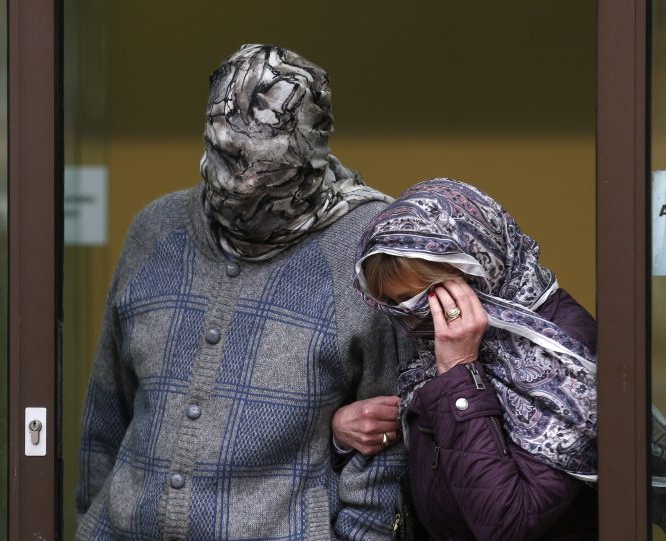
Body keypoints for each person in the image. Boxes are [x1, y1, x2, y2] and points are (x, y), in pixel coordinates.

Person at [75, 44, 413, 540]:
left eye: (258, 164)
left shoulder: (364, 252)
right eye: (220, 151)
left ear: (305, 162)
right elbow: (107, 409)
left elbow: (387, 452)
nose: (233, 181)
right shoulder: (154, 230)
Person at [345, 178, 666, 540]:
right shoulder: (437, 342)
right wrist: (343, 431)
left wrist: (458, 373)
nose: (415, 316)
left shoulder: (564, 358)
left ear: (484, 267)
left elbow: (508, 521)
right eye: (396, 303)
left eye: (430, 296)